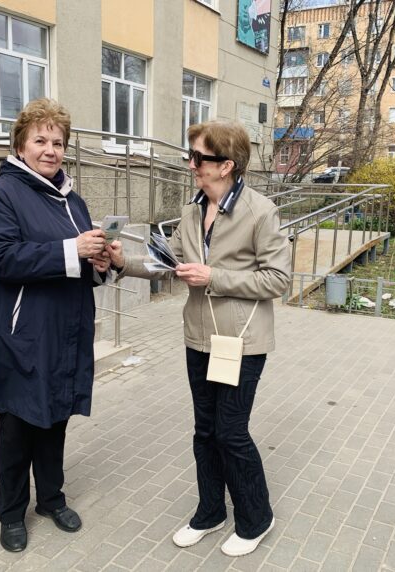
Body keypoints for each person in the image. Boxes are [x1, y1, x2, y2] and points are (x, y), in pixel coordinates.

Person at [106, 120, 290, 557]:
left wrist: (214, 276)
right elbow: (165, 262)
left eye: (198, 157)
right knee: (205, 431)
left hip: (241, 342)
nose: (190, 164)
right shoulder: (192, 211)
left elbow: (278, 279)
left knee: (231, 433)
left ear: (226, 165)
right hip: (199, 339)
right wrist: (121, 261)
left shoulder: (260, 211)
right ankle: (210, 512)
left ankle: (256, 517)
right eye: (190, 155)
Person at [0, 98, 111, 552]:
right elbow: (3, 259)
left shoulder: (73, 200)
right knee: (17, 427)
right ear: (20, 145)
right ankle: (12, 513)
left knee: (55, 419)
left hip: (65, 329)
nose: (51, 150)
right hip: (22, 333)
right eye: (40, 140)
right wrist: (73, 249)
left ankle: (51, 499)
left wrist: (100, 264)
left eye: (58, 142)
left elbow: (80, 262)